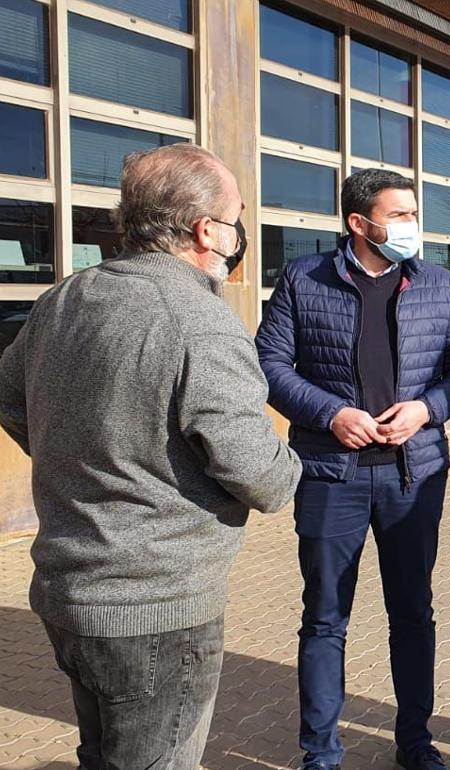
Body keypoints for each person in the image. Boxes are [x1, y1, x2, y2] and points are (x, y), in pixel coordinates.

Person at [0, 143, 303, 769]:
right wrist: (300, 461)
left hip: (67, 594)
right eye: (238, 216)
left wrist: (83, 454)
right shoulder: (200, 321)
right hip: (155, 614)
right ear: (206, 230)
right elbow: (262, 478)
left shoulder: (67, 297)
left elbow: (10, 397)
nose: (240, 232)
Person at [255, 168, 450, 770]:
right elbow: (271, 365)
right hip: (333, 477)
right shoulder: (304, 280)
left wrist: (427, 410)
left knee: (413, 612)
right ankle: (321, 754)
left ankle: (415, 742)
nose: (412, 225)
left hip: (415, 476)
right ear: (360, 224)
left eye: (413, 213)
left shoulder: (439, 284)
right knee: (325, 617)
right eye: (401, 214)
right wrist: (330, 414)